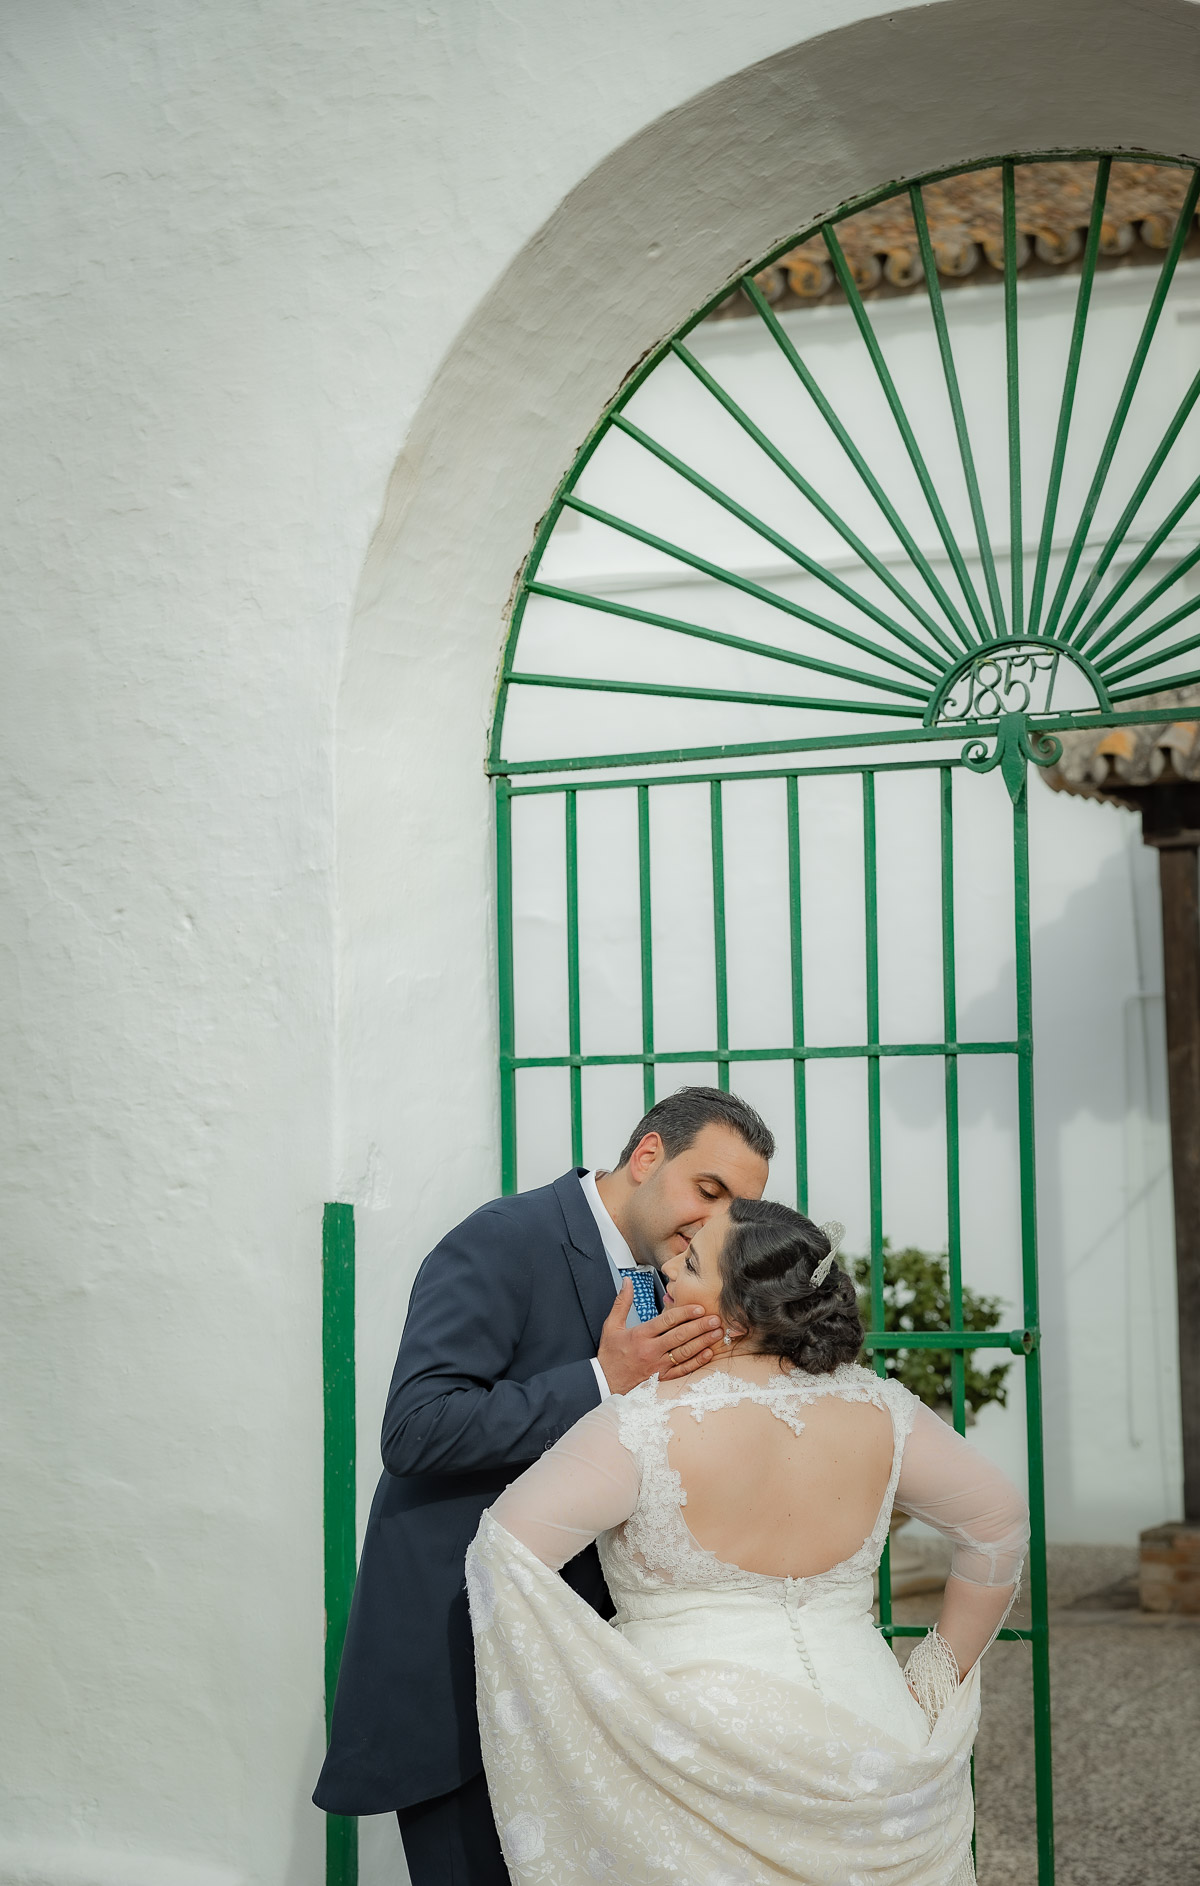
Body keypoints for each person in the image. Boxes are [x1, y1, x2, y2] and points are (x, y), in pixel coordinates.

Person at [468, 1198, 1029, 1886]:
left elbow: (504, 1550)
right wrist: (935, 1677)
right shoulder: (884, 1409)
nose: (667, 1266)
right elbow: (998, 1522)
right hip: (877, 1732)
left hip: (690, 1743)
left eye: (693, 1261)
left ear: (735, 1317)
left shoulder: (642, 1423)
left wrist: (600, 1703)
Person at [313, 1086, 774, 1884]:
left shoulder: (679, 1277)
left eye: (739, 1206)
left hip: (593, 1672)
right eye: (710, 1190)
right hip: (467, 1658)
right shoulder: (502, 1239)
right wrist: (604, 1376)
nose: (716, 1221)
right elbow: (416, 1429)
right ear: (647, 1155)